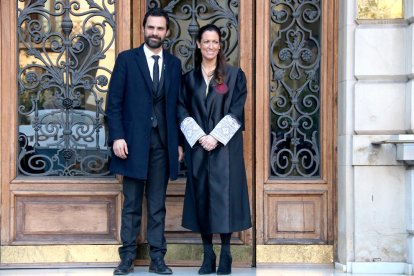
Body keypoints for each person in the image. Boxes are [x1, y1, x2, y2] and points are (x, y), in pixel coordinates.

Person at [106, 8, 183, 276]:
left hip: (162, 144)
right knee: (131, 203)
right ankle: (126, 257)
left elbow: (177, 107)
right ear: (144, 29)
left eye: (160, 29)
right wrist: (117, 136)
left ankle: (157, 259)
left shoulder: (174, 64)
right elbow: (113, 103)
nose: (155, 33)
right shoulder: (127, 60)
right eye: (151, 28)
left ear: (167, 32)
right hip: (131, 145)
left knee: (157, 204)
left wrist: (179, 144)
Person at [178, 24, 252, 275]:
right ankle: (207, 253)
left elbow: (237, 109)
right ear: (198, 44)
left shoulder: (234, 75)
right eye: (206, 41)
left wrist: (216, 138)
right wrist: (200, 137)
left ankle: (227, 253)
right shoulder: (188, 79)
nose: (211, 46)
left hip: (225, 150)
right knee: (202, 199)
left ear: (220, 45)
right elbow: (181, 109)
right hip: (199, 149)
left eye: (215, 42)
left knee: (224, 199)